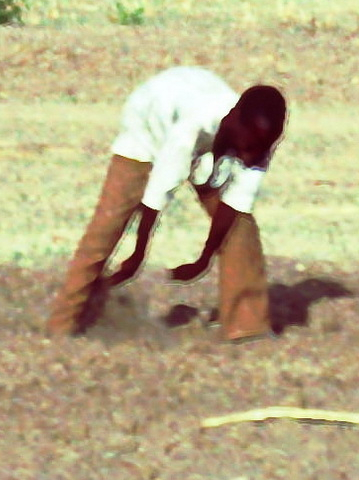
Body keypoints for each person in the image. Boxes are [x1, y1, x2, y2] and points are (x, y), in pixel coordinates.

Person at [45, 67, 288, 341]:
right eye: (248, 146)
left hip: (206, 130)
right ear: (234, 120)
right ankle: (64, 322)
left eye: (258, 148)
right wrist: (137, 256)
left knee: (241, 231)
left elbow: (234, 208)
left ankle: (248, 325)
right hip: (146, 126)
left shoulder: (258, 141)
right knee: (107, 226)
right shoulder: (193, 127)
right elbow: (155, 198)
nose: (249, 155)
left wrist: (204, 259)